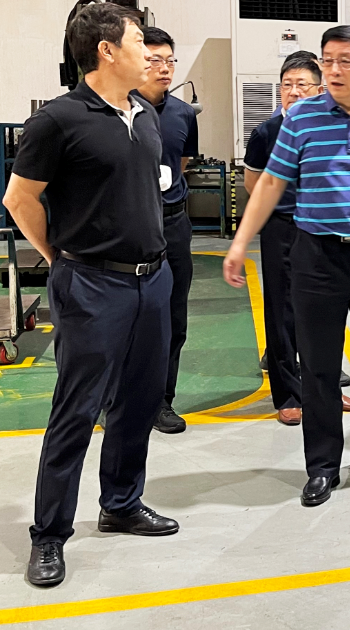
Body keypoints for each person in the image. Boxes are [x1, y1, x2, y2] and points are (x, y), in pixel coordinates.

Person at [5, 3, 180, 588]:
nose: (149, 53)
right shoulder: (58, 120)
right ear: (106, 51)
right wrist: (60, 258)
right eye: (137, 41)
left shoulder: (144, 114)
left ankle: (121, 503)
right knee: (77, 409)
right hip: (92, 283)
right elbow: (19, 200)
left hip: (152, 280)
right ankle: (49, 534)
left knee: (139, 399)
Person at [224, 25, 350, 508]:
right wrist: (241, 242)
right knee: (318, 367)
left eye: (345, 61)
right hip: (317, 258)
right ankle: (322, 465)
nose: (333, 70)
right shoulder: (301, 119)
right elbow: (270, 184)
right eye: (327, 60)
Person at [243, 52, 350, 425]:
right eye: (287, 85)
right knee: (282, 312)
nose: (293, 92)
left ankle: (326, 388)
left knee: (326, 309)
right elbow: (253, 184)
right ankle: (288, 395)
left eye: (301, 85)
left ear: (319, 90)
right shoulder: (266, 132)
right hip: (283, 228)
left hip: (325, 227)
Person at [135, 26, 199, 435]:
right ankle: (118, 398)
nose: (164, 68)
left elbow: (181, 164)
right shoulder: (120, 110)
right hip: (132, 225)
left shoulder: (183, 114)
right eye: (154, 60)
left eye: (170, 60)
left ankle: (162, 400)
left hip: (174, 223)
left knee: (174, 318)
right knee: (129, 316)